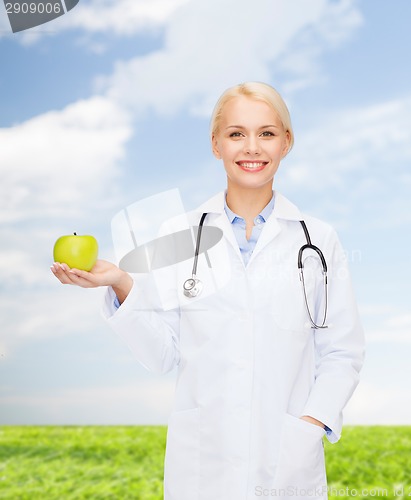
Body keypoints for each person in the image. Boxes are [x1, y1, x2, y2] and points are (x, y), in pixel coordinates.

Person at [51, 82, 365, 500]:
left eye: (267, 133)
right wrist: (123, 284)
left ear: (287, 143)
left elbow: (342, 351)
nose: (251, 147)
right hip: (203, 467)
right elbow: (163, 353)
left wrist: (309, 424)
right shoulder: (179, 235)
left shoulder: (319, 241)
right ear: (216, 144)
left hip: (287, 462)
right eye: (236, 133)